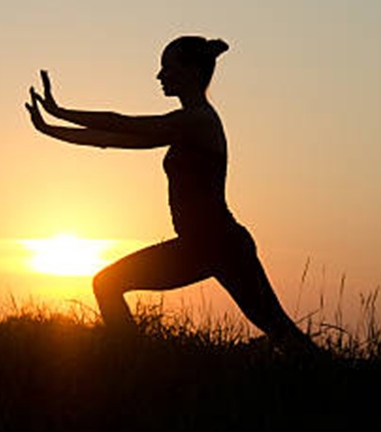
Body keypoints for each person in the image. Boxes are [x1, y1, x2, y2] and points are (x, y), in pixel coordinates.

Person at [24, 35, 314, 350]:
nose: (160, 76)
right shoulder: (182, 127)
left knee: (282, 333)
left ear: (190, 72)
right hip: (201, 246)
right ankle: (134, 362)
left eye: (167, 67)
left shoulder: (197, 120)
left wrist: (61, 111)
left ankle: (133, 362)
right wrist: (49, 127)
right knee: (108, 284)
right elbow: (109, 137)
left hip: (221, 244)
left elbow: (121, 123)